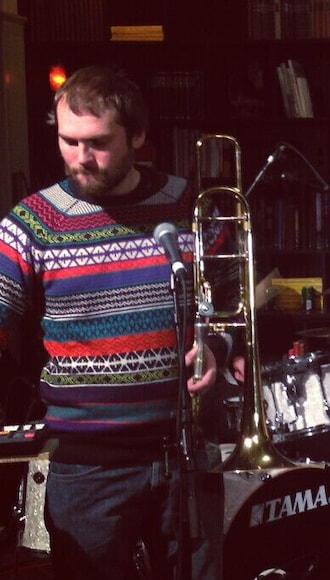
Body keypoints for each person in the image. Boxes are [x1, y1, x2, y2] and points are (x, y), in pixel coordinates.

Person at [0, 65, 225, 579]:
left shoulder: (191, 207)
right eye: (68, 141)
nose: (81, 158)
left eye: (98, 142)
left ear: (138, 136)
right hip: (86, 467)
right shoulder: (31, 224)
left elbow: (228, 310)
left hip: (184, 454)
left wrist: (217, 344)